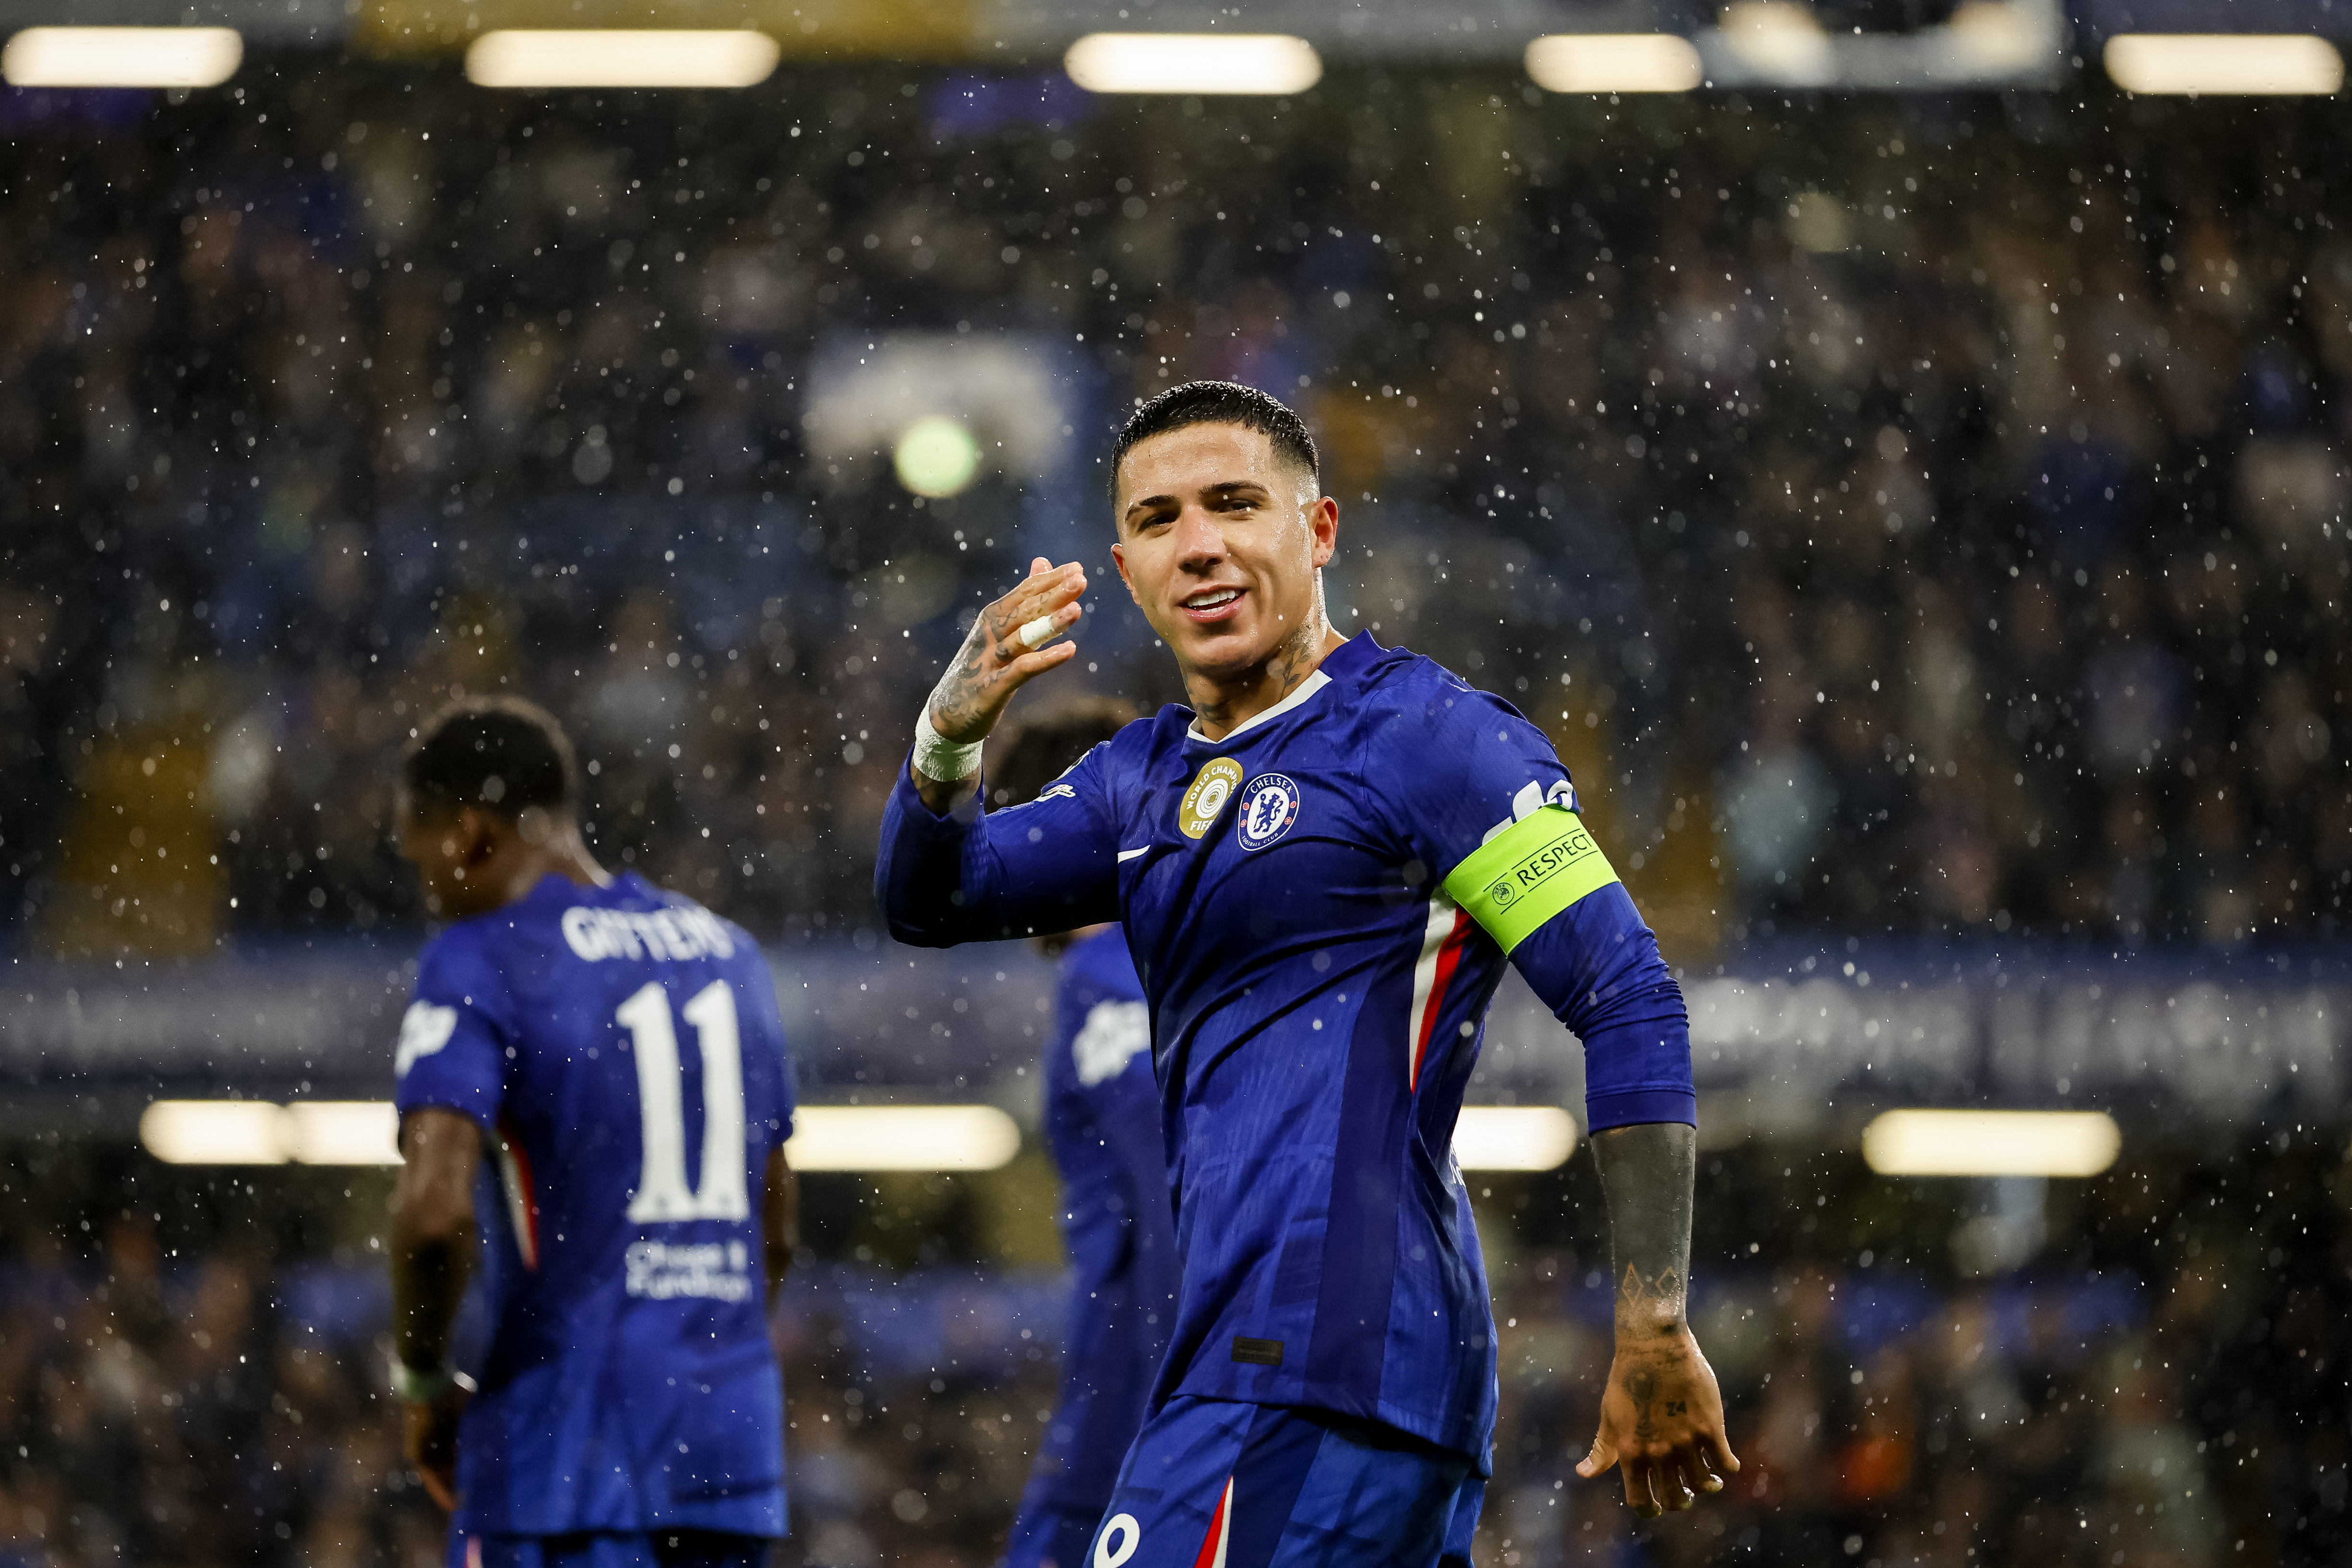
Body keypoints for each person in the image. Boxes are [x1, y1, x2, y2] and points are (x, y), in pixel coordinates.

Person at [876, 382, 1736, 1568]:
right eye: (1160, 518)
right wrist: (946, 735)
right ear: (1125, 568)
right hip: (1269, 1368)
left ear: (1317, 530)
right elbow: (931, 897)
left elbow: (1627, 995)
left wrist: (1650, 1317)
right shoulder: (1139, 781)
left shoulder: (1430, 738)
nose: (1200, 545)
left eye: (1235, 504)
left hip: (1323, 1359)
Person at [386, 696, 799, 1568]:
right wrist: (690, 1365)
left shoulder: (480, 959)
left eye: (423, 861)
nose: (430, 893)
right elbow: (779, 1225)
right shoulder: (730, 954)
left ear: (468, 833)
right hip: (728, 1457)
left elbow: (431, 1214)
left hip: (565, 1460)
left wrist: (423, 1383)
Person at [989, 700, 1183, 1568]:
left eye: (1000, 831)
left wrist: (1185, 1412)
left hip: (1144, 1386)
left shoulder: (1107, 980)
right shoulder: (1168, 959)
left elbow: (1172, 1194)